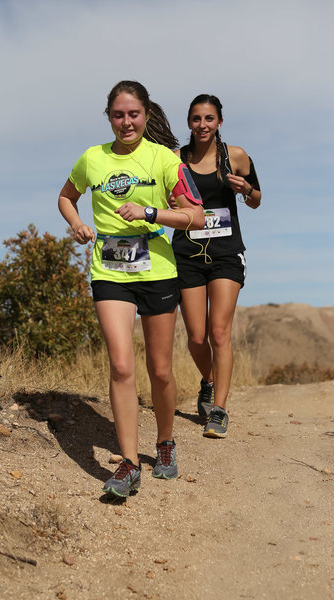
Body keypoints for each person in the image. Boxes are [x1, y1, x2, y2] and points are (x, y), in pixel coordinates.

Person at [58, 81, 205, 497]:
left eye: (134, 114)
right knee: (121, 366)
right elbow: (66, 197)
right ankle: (127, 462)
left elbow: (194, 217)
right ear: (109, 116)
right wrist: (78, 224)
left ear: (146, 115)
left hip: (157, 270)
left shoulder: (163, 159)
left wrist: (150, 211)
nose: (126, 122)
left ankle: (164, 442)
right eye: (119, 115)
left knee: (159, 370)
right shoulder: (92, 158)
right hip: (110, 272)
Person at [171, 94, 261, 439]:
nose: (202, 125)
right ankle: (207, 382)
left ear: (219, 122)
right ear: (189, 123)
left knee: (219, 332)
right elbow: (162, 197)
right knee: (196, 337)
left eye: (209, 119)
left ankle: (219, 409)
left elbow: (256, 200)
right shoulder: (175, 159)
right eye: (196, 119)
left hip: (226, 254)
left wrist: (246, 188)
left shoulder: (235, 156)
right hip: (186, 253)